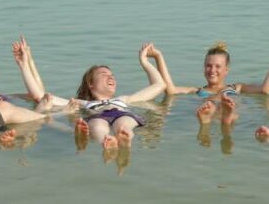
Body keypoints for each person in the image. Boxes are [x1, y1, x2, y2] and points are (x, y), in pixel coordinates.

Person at [13, 41, 165, 151]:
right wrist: (24, 64)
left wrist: (144, 61)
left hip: (121, 113)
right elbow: (41, 96)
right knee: (97, 127)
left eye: (112, 75)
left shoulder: (124, 99)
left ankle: (124, 140)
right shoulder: (80, 103)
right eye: (104, 74)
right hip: (96, 117)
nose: (110, 77)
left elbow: (159, 85)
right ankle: (108, 144)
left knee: (124, 124)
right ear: (91, 84)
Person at [149, 42, 269, 127]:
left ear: (226, 70)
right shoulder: (197, 91)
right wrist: (158, 57)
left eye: (217, 66)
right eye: (208, 66)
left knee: (228, 107)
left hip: (232, 114)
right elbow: (170, 90)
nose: (212, 70)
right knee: (212, 107)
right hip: (213, 112)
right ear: (203, 68)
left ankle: (219, 119)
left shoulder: (236, 88)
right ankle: (214, 119)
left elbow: (265, 89)